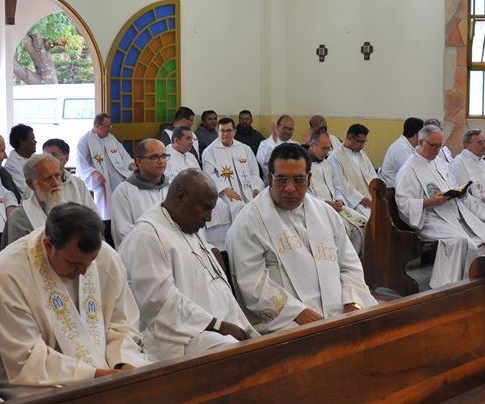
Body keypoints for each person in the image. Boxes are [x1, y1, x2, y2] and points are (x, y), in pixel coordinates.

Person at [0, 203, 150, 397]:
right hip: (33, 375)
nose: (84, 272)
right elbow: (24, 357)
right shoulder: (8, 273)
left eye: (90, 263)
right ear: (48, 245)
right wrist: (97, 375)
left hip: (107, 364)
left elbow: (122, 325)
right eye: (74, 263)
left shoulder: (106, 257)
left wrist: (122, 363)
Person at [227, 143, 377, 334]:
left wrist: (352, 302)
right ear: (269, 178)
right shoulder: (249, 222)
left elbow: (349, 264)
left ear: (309, 179)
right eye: (281, 179)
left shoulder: (326, 213)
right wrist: (297, 312)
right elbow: (251, 283)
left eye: (298, 180)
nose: (290, 188)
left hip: (340, 309)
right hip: (286, 320)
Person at [119, 170, 255, 360]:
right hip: (178, 340)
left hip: (215, 328)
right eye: (205, 208)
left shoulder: (187, 223)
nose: (209, 218)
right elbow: (161, 305)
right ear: (181, 197)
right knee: (238, 356)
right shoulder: (146, 236)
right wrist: (218, 325)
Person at [395, 125, 485, 289]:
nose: (437, 150)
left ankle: (474, 283)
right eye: (433, 145)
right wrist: (429, 202)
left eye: (440, 146)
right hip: (429, 217)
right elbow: (404, 203)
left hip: (452, 211)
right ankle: (446, 286)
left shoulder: (439, 163)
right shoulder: (408, 169)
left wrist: (459, 192)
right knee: (459, 241)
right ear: (420, 142)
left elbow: (451, 185)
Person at [1, 153, 96, 247]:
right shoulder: (19, 219)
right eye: (47, 179)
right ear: (31, 184)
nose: (56, 183)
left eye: (57, 176)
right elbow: (17, 254)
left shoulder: (72, 212)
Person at [201, 117, 262, 248]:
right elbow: (208, 175)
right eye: (222, 131)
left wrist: (256, 188)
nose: (225, 134)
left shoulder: (244, 149)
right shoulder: (210, 151)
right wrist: (224, 189)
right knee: (236, 208)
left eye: (229, 130)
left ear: (234, 131)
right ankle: (234, 245)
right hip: (225, 193)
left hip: (249, 192)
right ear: (218, 131)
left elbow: (254, 172)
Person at [308, 130, 366, 253]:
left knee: (361, 225)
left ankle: (354, 261)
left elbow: (337, 186)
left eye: (328, 148)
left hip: (334, 206)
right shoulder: (304, 166)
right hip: (317, 209)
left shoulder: (326, 164)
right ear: (312, 146)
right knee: (341, 230)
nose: (327, 152)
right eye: (324, 148)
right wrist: (327, 203)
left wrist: (339, 200)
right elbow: (306, 194)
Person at [110, 138, 170, 247]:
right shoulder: (124, 191)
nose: (161, 161)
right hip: (142, 252)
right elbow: (122, 233)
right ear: (139, 161)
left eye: (164, 156)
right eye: (154, 157)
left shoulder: (171, 188)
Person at [75, 113, 135, 220]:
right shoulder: (85, 141)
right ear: (97, 126)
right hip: (101, 180)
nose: (110, 129)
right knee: (106, 207)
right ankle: (107, 222)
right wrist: (94, 173)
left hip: (118, 175)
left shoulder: (111, 138)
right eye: (107, 126)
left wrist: (131, 164)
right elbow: (81, 164)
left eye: (110, 125)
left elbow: (123, 154)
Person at [448, 128, 485, 224]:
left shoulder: (484, 163)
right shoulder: (458, 164)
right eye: (479, 143)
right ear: (466, 145)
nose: (484, 146)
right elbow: (462, 196)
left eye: (484, 142)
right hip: (471, 214)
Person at [328, 123, 378, 216]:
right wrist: (361, 199)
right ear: (350, 138)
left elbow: (373, 175)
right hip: (353, 202)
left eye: (364, 142)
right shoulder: (335, 156)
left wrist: (377, 192)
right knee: (368, 220)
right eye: (360, 142)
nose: (362, 145)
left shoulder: (362, 154)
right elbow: (340, 185)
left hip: (370, 199)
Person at [379, 117, 424, 188]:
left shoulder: (410, 146)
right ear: (418, 134)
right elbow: (413, 174)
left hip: (403, 186)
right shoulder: (401, 148)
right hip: (392, 190)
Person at [4, 123, 37, 189]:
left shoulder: (35, 158)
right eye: (32, 139)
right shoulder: (12, 166)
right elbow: (25, 190)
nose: (35, 142)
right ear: (22, 141)